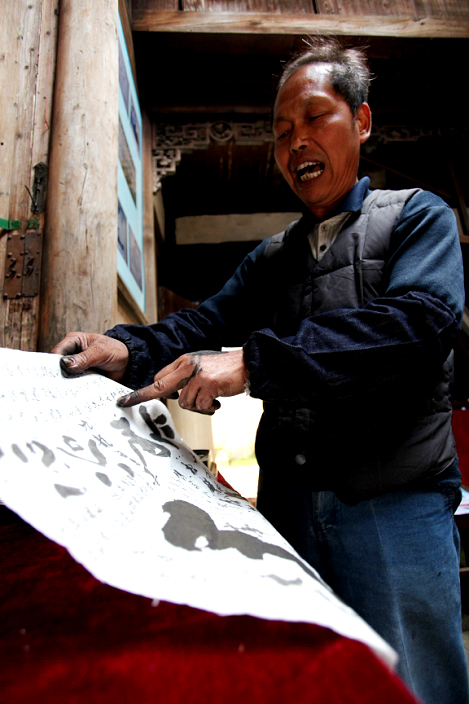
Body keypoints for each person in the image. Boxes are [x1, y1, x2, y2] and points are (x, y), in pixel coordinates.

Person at [52, 38, 468, 704]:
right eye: (280, 132)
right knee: (313, 684)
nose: (296, 141)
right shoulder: (272, 259)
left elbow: (417, 325)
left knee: (412, 687)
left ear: (361, 121)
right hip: (288, 513)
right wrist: (124, 350)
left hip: (393, 508)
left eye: (314, 116)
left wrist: (252, 360)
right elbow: (199, 327)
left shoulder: (417, 217)